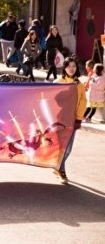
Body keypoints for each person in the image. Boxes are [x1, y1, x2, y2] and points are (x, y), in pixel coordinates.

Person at [53, 56, 86, 184]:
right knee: (61, 146)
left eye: (74, 66)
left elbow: (83, 102)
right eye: (69, 66)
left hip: (72, 120)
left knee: (68, 148)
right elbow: (51, 101)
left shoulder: (79, 85)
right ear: (64, 68)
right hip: (59, 120)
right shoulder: (58, 82)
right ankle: (61, 171)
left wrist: (78, 119)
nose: (71, 69)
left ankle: (58, 167)